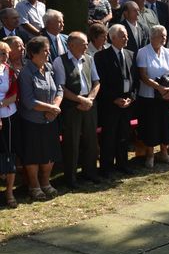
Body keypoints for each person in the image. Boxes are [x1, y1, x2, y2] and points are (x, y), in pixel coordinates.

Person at [52, 32, 101, 189]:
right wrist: (80, 100)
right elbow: (61, 88)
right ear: (71, 45)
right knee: (71, 142)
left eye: (87, 43)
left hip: (89, 104)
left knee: (91, 140)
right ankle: (70, 177)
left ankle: (90, 172)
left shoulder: (89, 58)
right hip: (72, 107)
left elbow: (96, 82)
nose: (87, 46)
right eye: (84, 43)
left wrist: (90, 100)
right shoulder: (60, 61)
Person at [19, 37, 63, 201]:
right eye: (45, 50)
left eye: (48, 50)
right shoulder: (26, 73)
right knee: (33, 155)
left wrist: (55, 108)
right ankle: (34, 186)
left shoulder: (50, 67)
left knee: (49, 154)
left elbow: (59, 89)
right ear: (33, 54)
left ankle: (45, 183)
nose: (48, 53)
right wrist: (50, 108)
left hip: (50, 120)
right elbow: (28, 101)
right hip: (32, 122)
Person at [95, 24, 135, 177]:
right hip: (110, 104)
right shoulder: (101, 56)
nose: (126, 38)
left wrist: (131, 98)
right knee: (109, 136)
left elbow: (134, 80)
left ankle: (123, 164)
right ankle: (106, 167)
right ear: (113, 38)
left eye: (126, 35)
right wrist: (114, 99)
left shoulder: (131, 54)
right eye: (123, 36)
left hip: (127, 103)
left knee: (124, 135)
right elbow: (101, 83)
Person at [136, 25, 169, 169]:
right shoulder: (143, 52)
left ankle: (164, 153)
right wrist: (159, 88)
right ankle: (150, 155)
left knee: (165, 124)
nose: (164, 38)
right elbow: (143, 75)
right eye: (162, 36)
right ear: (153, 36)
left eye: (165, 35)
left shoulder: (168, 52)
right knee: (151, 125)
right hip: (149, 96)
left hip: (167, 95)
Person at [0, 41, 20, 208]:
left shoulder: (10, 70)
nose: (4, 56)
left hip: (8, 116)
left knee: (9, 152)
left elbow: (14, 95)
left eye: (6, 53)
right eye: (1, 53)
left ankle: (9, 192)